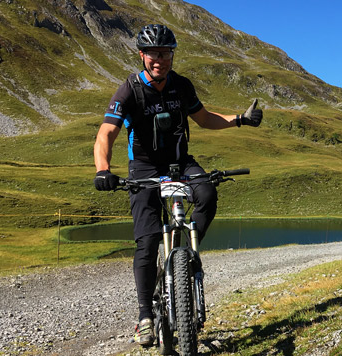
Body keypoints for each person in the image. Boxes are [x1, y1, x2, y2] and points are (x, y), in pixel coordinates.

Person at [92, 24, 262, 346]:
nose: (160, 59)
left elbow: (205, 118)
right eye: (154, 53)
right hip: (143, 167)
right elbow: (106, 134)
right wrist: (103, 169)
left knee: (208, 193)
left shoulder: (181, 86)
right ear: (143, 55)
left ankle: (187, 253)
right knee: (147, 240)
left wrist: (240, 119)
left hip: (180, 162)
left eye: (166, 53)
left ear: (172, 55)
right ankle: (145, 315)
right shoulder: (129, 90)